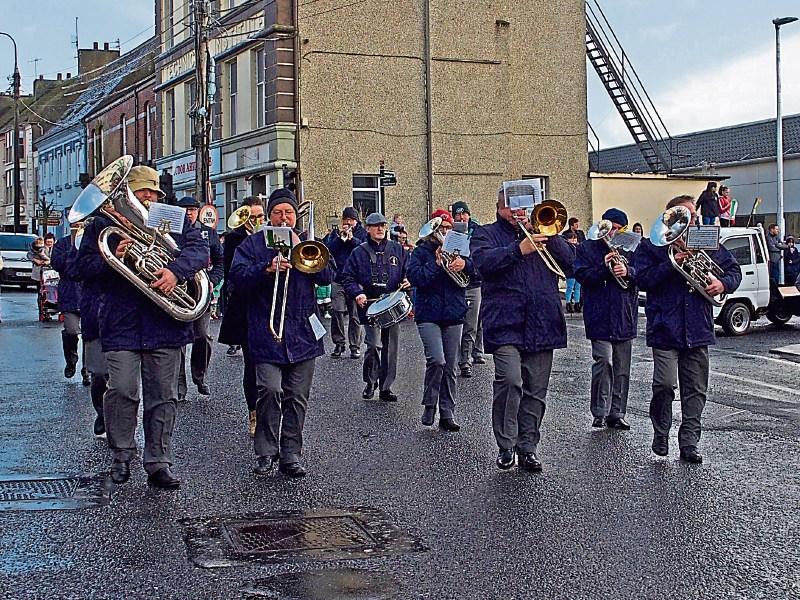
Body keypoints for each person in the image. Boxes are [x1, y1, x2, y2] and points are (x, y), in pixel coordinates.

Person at [76, 164, 210, 488]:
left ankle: (158, 461)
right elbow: (81, 266)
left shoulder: (170, 216)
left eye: (152, 192)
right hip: (120, 321)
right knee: (121, 388)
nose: (148, 198)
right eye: (141, 192)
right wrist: (113, 259)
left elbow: (200, 250)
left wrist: (176, 272)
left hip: (164, 324)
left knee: (163, 396)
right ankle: (121, 454)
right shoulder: (102, 224)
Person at [229, 188, 335, 477]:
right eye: (278, 213)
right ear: (269, 216)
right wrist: (266, 269)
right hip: (265, 332)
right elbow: (236, 278)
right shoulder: (253, 244)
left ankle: (291, 454)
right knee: (269, 390)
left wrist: (305, 246)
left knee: (297, 396)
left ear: (295, 216)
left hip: (302, 333)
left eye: (288, 213)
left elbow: (327, 277)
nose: (284, 217)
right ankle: (265, 452)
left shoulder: (308, 242)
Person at [471, 189, 575, 472]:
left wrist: (551, 235)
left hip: (543, 322)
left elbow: (571, 263)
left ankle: (527, 447)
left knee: (535, 390)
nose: (519, 212)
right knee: (509, 381)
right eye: (512, 207)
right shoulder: (486, 234)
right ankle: (506, 445)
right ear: (500, 208)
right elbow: (483, 265)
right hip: (506, 322)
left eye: (525, 208)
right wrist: (519, 249)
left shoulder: (545, 234)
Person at [633, 194, 741, 464]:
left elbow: (733, 270)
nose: (691, 220)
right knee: (664, 385)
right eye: (685, 215)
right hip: (665, 327)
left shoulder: (705, 239)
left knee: (695, 389)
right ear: (670, 216)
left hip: (697, 326)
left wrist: (723, 284)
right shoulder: (652, 246)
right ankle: (661, 432)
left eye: (693, 215)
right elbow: (642, 278)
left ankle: (689, 443)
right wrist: (671, 264)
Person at [408, 209, 474, 431]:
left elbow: (474, 275)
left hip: (454, 313)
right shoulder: (420, 252)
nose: (445, 232)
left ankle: (447, 412)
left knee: (451, 366)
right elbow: (416, 278)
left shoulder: (460, 250)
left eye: (448, 228)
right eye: (442, 229)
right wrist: (435, 264)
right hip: (428, 313)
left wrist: (463, 265)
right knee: (437, 360)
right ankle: (429, 404)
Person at [574, 208, 638, 430]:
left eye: (618, 229)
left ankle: (617, 413)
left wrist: (628, 271)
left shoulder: (632, 246)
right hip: (599, 314)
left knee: (622, 368)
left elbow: (644, 273)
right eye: (610, 228)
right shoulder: (587, 247)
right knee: (604, 362)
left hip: (624, 313)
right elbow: (581, 275)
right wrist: (604, 266)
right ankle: (599, 411)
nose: (613, 233)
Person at [341, 212, 410, 402]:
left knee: (391, 347)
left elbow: (409, 271)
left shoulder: (398, 249)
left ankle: (386, 387)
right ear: (368, 229)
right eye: (376, 226)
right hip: (369, 305)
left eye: (382, 225)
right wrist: (357, 293)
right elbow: (348, 277)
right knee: (373, 345)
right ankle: (371, 382)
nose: (380, 229)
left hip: (392, 303)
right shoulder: (359, 252)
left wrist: (407, 280)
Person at [218, 195, 265, 436]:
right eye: (252, 216)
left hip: (268, 306)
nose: (256, 221)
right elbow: (232, 273)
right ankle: (253, 412)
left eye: (260, 216)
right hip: (246, 307)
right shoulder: (234, 239)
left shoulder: (271, 236)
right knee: (252, 363)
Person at [175, 196, 224, 400]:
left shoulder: (209, 233)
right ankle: (179, 387)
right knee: (177, 341)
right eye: (185, 209)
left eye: (193, 209)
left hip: (201, 292)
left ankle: (199, 375)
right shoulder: (171, 230)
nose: (189, 213)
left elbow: (221, 261)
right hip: (177, 291)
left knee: (203, 336)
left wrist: (212, 280)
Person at [323, 206, 367, 359]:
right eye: (346, 220)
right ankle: (339, 343)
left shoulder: (362, 234)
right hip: (338, 279)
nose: (348, 223)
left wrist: (351, 239)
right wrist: (340, 239)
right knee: (337, 312)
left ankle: (355, 346)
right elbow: (328, 250)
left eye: (351, 220)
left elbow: (364, 249)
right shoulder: (335, 234)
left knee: (355, 315)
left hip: (356, 280)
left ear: (356, 221)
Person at [50, 222, 90, 385]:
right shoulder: (62, 243)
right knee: (72, 331)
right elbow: (57, 264)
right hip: (70, 293)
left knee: (91, 335)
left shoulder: (91, 241)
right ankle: (71, 360)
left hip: (88, 294)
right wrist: (73, 246)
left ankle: (87, 370)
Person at [451, 200, 485, 377]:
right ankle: (455, 358)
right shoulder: (451, 232)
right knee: (456, 324)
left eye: (464, 214)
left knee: (471, 324)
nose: (461, 217)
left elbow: (481, 258)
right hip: (455, 285)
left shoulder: (477, 232)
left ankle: (466, 360)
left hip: (473, 284)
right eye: (458, 214)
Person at [563, 231, 581, 313]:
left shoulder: (578, 247)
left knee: (578, 288)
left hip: (577, 270)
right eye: (571, 238)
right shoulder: (567, 247)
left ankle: (577, 304)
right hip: (570, 271)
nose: (574, 240)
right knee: (570, 288)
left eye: (575, 238)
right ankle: (568, 303)